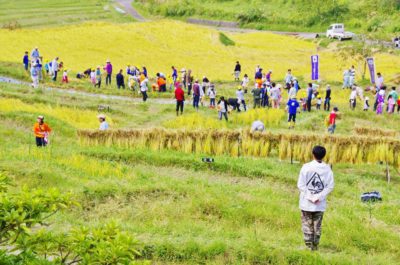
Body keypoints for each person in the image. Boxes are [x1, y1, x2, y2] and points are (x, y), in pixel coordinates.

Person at [297, 145, 334, 251]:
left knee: (306, 223)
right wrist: (319, 197)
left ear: (312, 154)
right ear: (324, 156)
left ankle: (308, 246)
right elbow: (330, 186)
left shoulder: (306, 167)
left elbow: (301, 185)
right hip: (319, 204)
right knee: (317, 225)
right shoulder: (328, 169)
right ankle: (315, 246)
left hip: (306, 203)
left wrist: (310, 196)